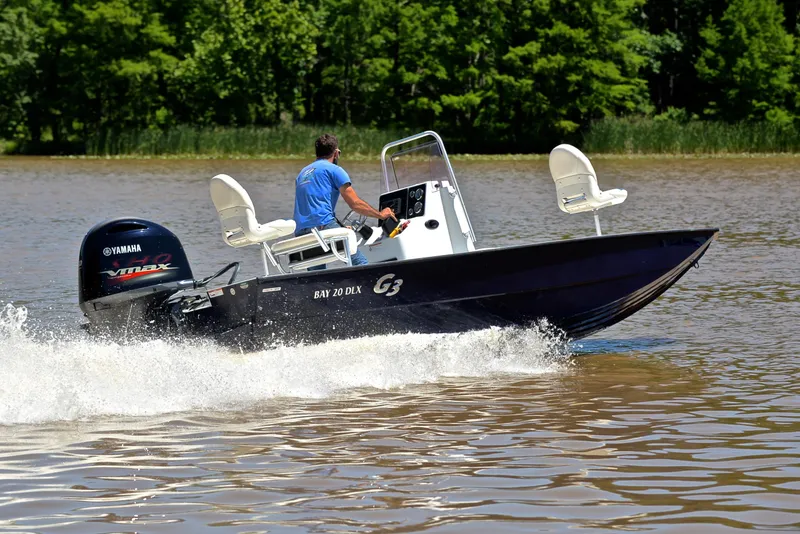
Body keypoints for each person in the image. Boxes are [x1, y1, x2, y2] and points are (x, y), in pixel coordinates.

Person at [293, 133, 395, 268]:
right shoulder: (335, 170)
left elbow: (313, 209)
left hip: (301, 232)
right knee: (360, 263)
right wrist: (381, 214)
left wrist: (339, 227)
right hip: (322, 228)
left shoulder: (302, 173)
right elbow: (355, 204)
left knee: (317, 273)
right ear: (336, 153)